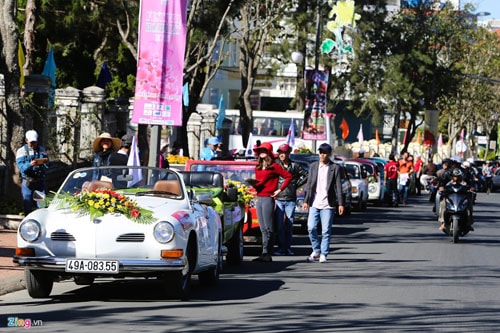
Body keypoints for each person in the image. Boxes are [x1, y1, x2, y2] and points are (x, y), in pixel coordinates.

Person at [301, 143, 345, 263]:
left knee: (326, 231)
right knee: (311, 228)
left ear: (329, 154)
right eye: (320, 152)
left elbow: (338, 187)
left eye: (324, 153)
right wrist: (306, 201)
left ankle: (324, 253)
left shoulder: (334, 168)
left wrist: (340, 204)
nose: (322, 155)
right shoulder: (313, 166)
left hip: (328, 205)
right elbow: (309, 185)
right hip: (314, 203)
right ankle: (316, 250)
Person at [251, 142, 292, 262]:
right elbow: (259, 181)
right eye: (260, 151)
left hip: (268, 198)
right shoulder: (258, 166)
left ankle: (268, 253)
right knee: (262, 227)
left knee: (269, 227)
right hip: (258, 197)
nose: (261, 152)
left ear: (269, 152)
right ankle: (264, 253)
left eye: (264, 150)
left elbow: (288, 176)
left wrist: (279, 190)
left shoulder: (274, 166)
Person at [273, 144, 308, 256]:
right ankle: (281, 248)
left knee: (289, 223)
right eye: (280, 152)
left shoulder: (295, 166)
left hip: (291, 199)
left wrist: (296, 184)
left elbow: (306, 175)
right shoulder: (276, 165)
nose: (281, 155)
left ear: (288, 153)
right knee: (279, 225)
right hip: (278, 198)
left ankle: (287, 247)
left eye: (283, 153)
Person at [16, 130, 49, 215]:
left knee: (42, 204)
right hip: (28, 182)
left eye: (35, 142)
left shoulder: (41, 149)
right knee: (27, 203)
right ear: (26, 140)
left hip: (39, 181)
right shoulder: (21, 151)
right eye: (31, 142)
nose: (33, 144)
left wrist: (46, 162)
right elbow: (21, 168)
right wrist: (30, 165)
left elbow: (46, 165)